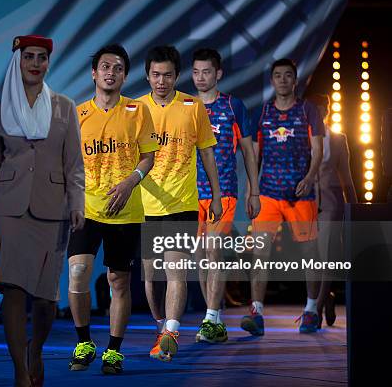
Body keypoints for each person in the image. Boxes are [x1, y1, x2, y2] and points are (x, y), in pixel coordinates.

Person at [0, 35, 85, 387]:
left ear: (48, 63)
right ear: (17, 62)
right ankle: (20, 369)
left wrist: (78, 204)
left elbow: (75, 166)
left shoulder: (65, 107)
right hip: (8, 211)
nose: (35, 63)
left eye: (42, 58)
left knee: (47, 300)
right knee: (14, 292)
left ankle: (35, 349)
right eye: (29, 57)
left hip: (53, 210)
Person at [66, 44, 158, 374]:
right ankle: (83, 342)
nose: (111, 72)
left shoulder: (137, 111)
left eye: (118, 68)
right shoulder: (77, 114)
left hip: (126, 210)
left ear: (124, 75)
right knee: (77, 273)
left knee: (118, 281)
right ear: (94, 73)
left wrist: (130, 181)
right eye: (105, 66)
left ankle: (113, 352)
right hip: (87, 209)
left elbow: (148, 157)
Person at [137, 45, 222, 362]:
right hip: (144, 206)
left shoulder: (192, 106)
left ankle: (170, 333)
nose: (161, 81)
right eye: (156, 75)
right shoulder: (136, 109)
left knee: (176, 273)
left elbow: (207, 152)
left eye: (168, 75)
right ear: (147, 75)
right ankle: (161, 324)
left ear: (176, 75)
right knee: (151, 278)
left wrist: (214, 194)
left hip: (182, 203)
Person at [244, 58, 324, 335]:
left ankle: (311, 310)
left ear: (295, 80)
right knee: (259, 254)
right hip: (267, 193)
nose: (282, 80)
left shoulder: (308, 111)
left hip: (300, 194)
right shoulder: (263, 113)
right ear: (272, 81)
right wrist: (251, 191)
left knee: (309, 254)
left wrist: (310, 178)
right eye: (278, 76)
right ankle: (257, 312)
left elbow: (318, 150)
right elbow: (254, 155)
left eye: (287, 75)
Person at [192, 48, 261, 343]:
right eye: (195, 72)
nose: (200, 77)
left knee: (214, 252)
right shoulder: (186, 107)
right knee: (200, 258)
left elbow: (247, 150)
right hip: (190, 194)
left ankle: (211, 319)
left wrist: (253, 191)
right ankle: (215, 316)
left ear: (218, 74)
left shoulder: (233, 106)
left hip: (224, 193)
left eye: (206, 72)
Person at [307, 93, 357, 327]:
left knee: (327, 256)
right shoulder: (300, 138)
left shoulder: (338, 139)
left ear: (327, 111)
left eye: (322, 109)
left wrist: (355, 209)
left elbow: (346, 176)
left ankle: (315, 307)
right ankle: (326, 297)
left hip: (331, 203)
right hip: (306, 204)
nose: (318, 113)